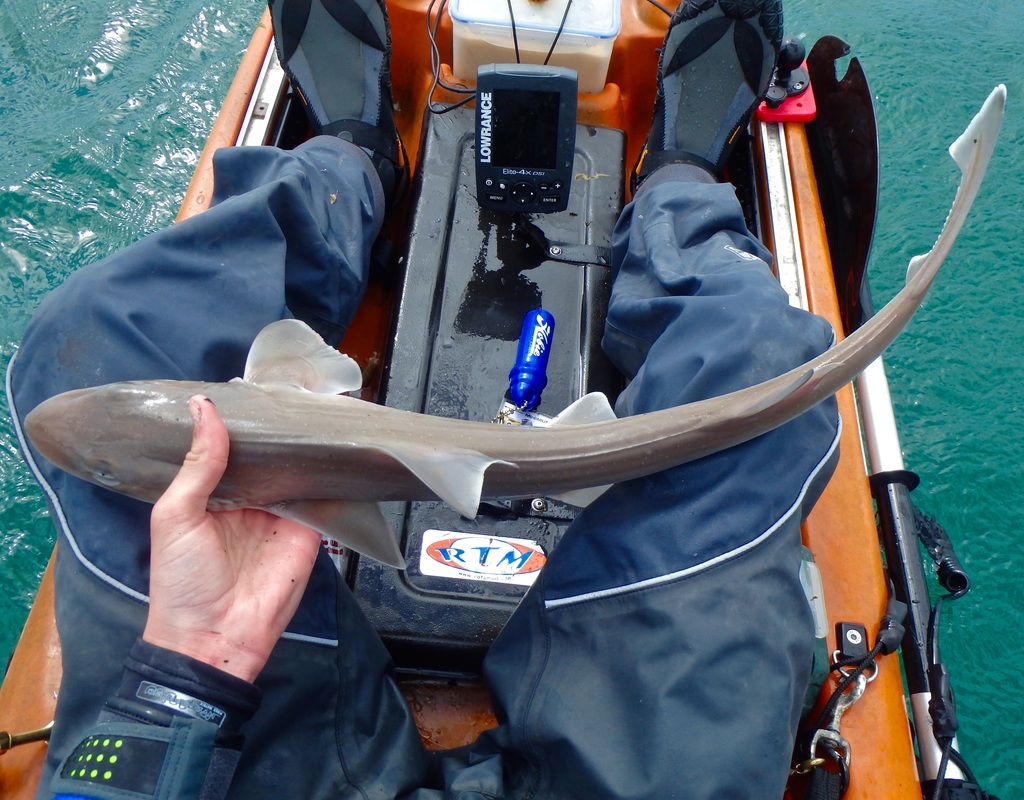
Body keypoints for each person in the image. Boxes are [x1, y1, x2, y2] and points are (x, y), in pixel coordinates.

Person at [8, 0, 841, 797]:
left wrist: (190, 667)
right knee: (772, 379)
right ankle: (679, 183)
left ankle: (353, 155)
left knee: (82, 339)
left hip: (225, 733)